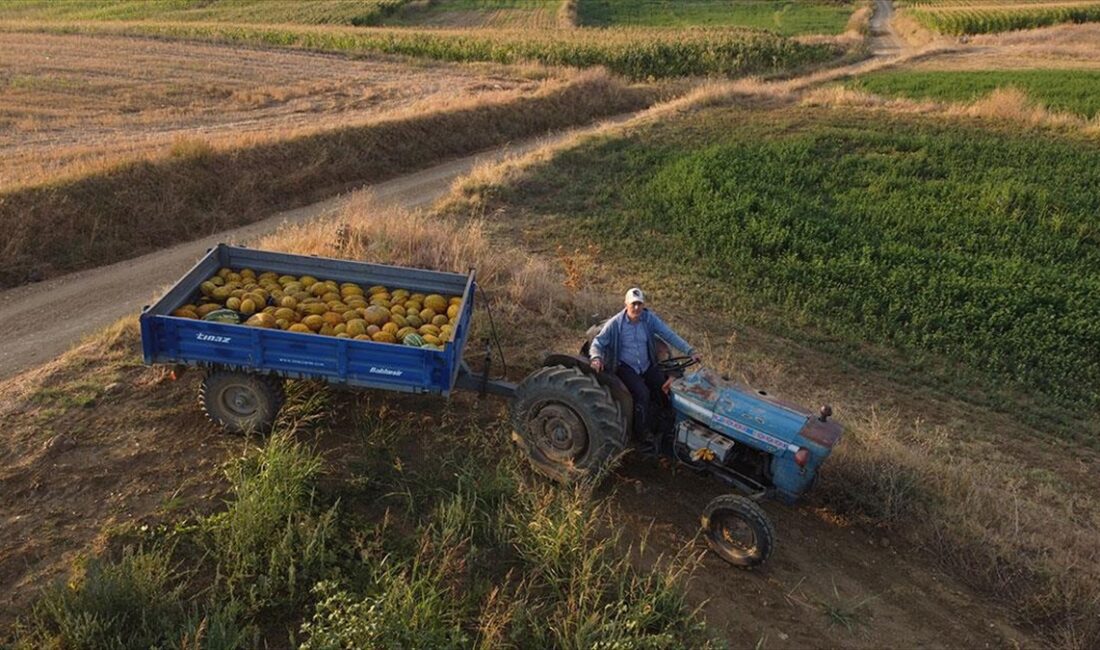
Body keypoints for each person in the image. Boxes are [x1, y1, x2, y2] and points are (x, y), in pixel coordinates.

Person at [589, 287, 701, 438]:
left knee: (664, 387)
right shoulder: (615, 324)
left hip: (646, 364)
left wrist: (690, 351)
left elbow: (668, 334)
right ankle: (641, 433)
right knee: (642, 393)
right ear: (626, 304)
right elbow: (598, 342)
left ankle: (665, 423)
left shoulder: (648, 319)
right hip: (626, 366)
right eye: (633, 304)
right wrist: (596, 358)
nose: (636, 308)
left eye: (639, 304)